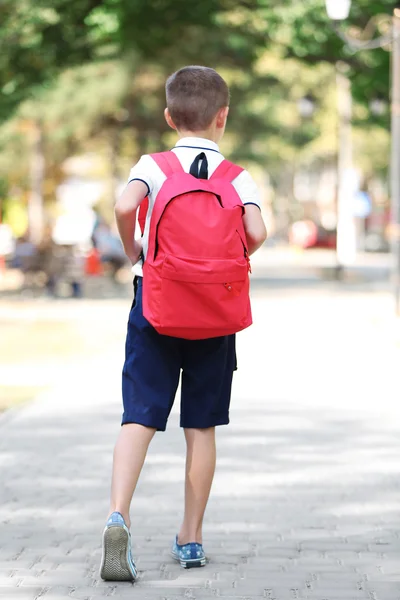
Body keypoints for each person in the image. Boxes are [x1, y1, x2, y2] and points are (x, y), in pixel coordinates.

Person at [100, 66, 267, 581]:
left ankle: (118, 514)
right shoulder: (238, 177)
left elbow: (126, 204)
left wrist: (136, 250)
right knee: (201, 424)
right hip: (214, 313)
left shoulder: (153, 165)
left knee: (140, 416)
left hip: (157, 303)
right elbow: (258, 231)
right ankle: (191, 538)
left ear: (170, 117)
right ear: (224, 117)